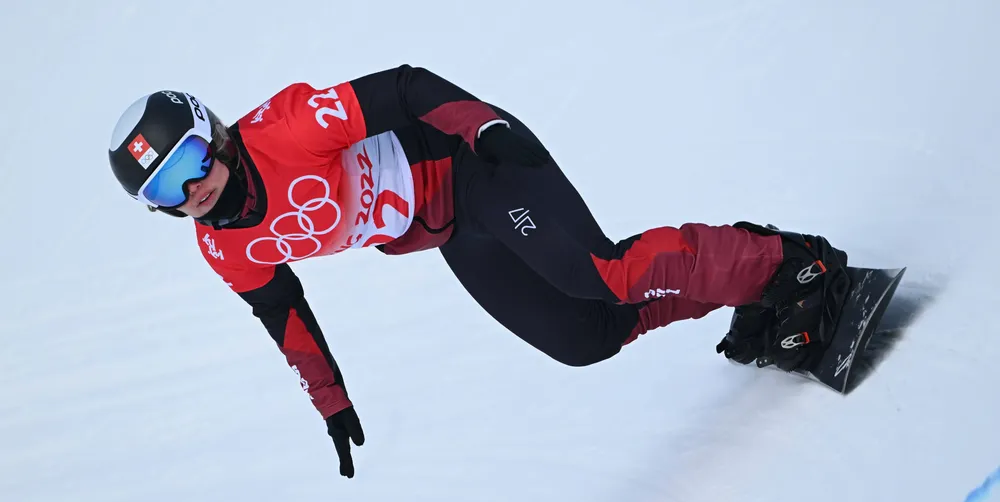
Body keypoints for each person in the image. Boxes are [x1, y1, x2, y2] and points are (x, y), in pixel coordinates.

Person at [107, 64, 849, 479]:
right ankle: (748, 284)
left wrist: (482, 126)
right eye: (168, 191)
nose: (194, 190)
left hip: (478, 161)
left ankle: (793, 266)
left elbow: (402, 88)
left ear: (217, 133)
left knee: (604, 273)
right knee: (585, 334)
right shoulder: (222, 247)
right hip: (454, 226)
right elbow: (282, 312)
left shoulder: (290, 130)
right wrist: (330, 402)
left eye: (193, 162)